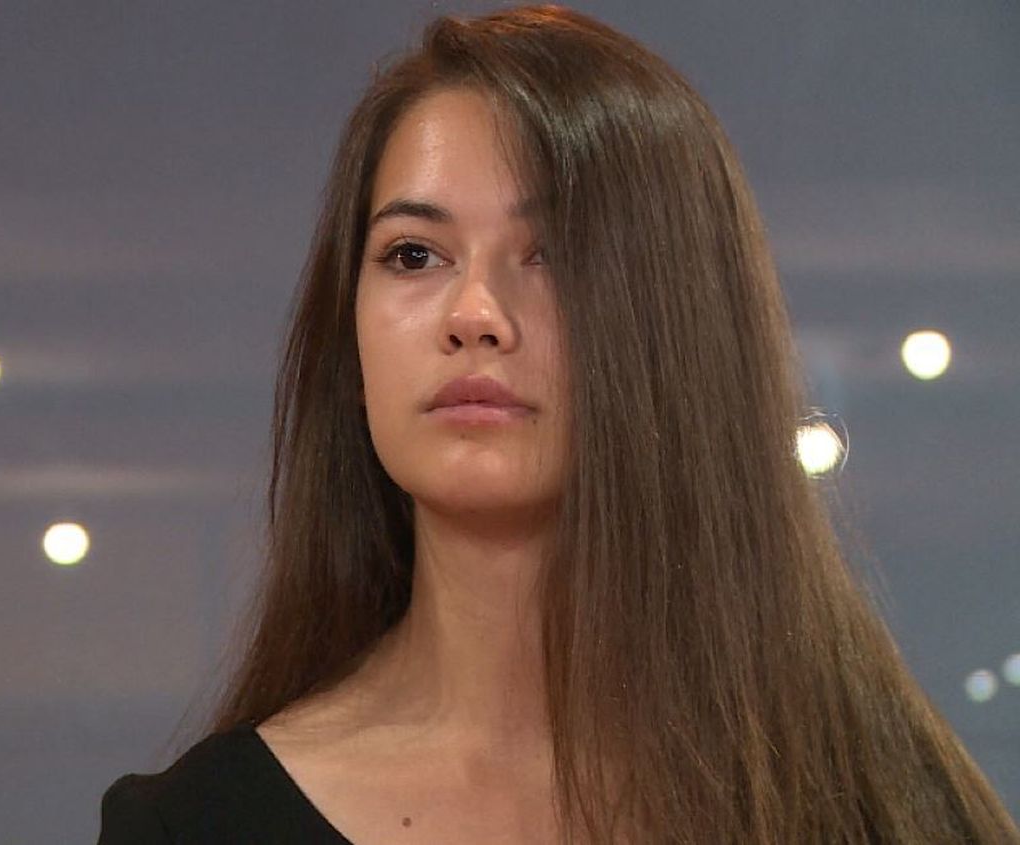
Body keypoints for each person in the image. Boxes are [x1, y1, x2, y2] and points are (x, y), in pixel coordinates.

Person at [97, 4, 1019, 843]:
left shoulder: (878, 809)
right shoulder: (196, 826)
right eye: (413, 254)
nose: (475, 313)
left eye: (555, 253)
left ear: (680, 320)